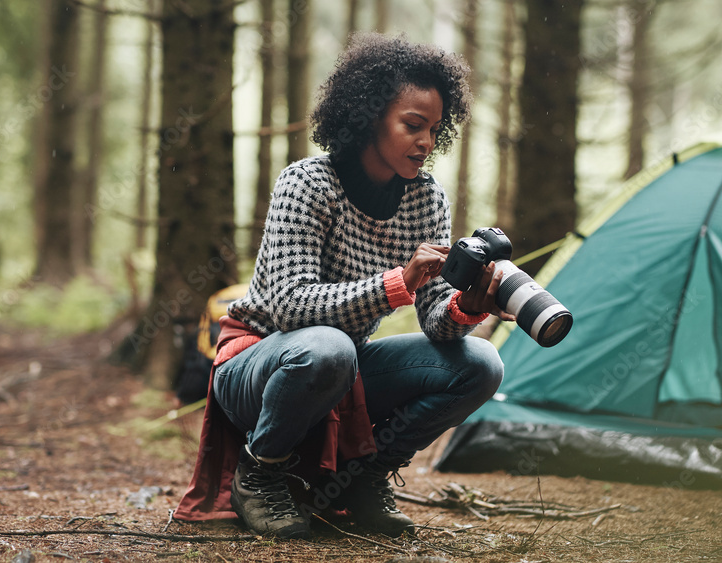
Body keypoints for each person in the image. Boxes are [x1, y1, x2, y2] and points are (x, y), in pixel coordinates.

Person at [175, 33, 510, 540]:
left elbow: (438, 323)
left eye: (434, 130)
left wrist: (468, 305)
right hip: (258, 365)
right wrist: (397, 283)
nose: (425, 142)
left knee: (481, 364)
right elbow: (289, 308)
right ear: (369, 116)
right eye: (412, 126)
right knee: (327, 348)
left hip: (343, 368)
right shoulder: (306, 184)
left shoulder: (426, 200)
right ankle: (260, 473)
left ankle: (363, 478)